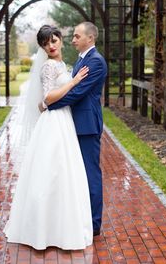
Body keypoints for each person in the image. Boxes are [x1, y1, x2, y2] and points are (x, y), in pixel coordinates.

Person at [3, 25, 93, 250]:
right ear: (43, 47)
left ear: (60, 40)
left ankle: (61, 226)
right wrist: (73, 82)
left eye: (54, 40)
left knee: (64, 172)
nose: (51, 46)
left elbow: (45, 102)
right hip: (53, 123)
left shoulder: (62, 65)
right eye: (46, 43)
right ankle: (42, 229)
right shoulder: (49, 67)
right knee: (50, 171)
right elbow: (48, 98)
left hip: (65, 121)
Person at [48, 22, 107, 236]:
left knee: (91, 173)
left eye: (76, 36)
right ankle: (82, 217)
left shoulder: (96, 61)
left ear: (90, 38)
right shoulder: (82, 59)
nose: (72, 40)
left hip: (87, 125)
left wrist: (49, 105)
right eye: (72, 36)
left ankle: (94, 224)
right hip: (76, 123)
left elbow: (78, 92)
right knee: (78, 173)